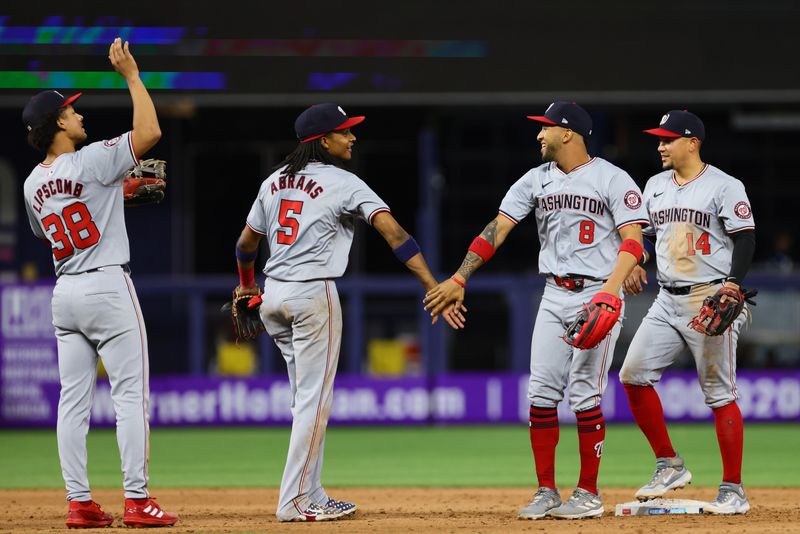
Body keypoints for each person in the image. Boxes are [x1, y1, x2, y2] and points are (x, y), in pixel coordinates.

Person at [232, 103, 464, 522]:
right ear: (323, 141)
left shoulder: (272, 183)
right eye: (344, 132)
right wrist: (433, 286)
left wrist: (247, 285)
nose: (352, 137)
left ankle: (313, 491)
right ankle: (294, 502)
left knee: (304, 398)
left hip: (272, 295)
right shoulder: (343, 182)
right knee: (314, 402)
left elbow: (246, 244)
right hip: (312, 295)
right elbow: (394, 233)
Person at [424, 101, 648, 520]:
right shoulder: (534, 179)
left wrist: (612, 292)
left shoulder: (612, 178)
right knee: (541, 394)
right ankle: (546, 490)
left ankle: (588, 493)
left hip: (597, 292)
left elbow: (633, 240)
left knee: (584, 392)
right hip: (553, 294)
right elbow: (496, 229)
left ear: (568, 133)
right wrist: (459, 277)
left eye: (546, 128)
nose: (539, 135)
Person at [21, 39, 178, 528]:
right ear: (57, 126)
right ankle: (137, 499)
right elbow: (149, 132)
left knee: (73, 401)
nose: (78, 115)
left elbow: (58, 223)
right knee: (130, 394)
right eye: (70, 112)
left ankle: (79, 502)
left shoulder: (30, 183)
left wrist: (116, 193)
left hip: (65, 294)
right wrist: (132, 75)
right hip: (108, 286)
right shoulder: (92, 161)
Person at [619, 110, 756, 514]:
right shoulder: (655, 185)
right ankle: (669, 464)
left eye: (667, 139)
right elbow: (644, 235)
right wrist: (635, 262)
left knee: (718, 394)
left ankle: (733, 489)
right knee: (633, 375)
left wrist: (733, 283)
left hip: (710, 296)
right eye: (659, 139)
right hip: (666, 298)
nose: (660, 145)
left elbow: (745, 237)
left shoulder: (724, 186)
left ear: (691, 141)